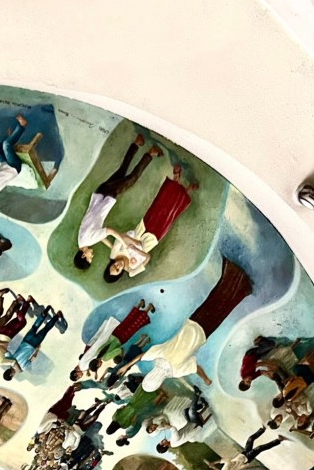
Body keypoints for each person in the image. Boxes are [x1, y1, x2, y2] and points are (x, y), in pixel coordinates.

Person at [121, 257, 253, 392]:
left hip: (202, 334)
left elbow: (196, 369)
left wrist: (205, 379)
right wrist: (126, 366)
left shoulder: (176, 371)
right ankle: (230, 274)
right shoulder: (158, 356)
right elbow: (141, 356)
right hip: (191, 324)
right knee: (212, 301)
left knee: (222, 311)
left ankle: (242, 288)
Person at [74, 135, 162, 269]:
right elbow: (100, 235)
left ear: (83, 255)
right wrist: (112, 247)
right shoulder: (82, 240)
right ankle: (137, 142)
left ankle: (151, 152)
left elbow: (108, 231)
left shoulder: (88, 240)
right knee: (121, 171)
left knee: (132, 178)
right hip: (100, 193)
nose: (92, 255)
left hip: (106, 198)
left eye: (90, 258)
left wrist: (124, 243)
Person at [101, 166, 196, 280]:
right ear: (120, 273)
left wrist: (135, 242)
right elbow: (147, 257)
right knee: (170, 214)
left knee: (159, 204)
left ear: (111, 264)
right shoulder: (131, 271)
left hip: (141, 230)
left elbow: (122, 236)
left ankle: (176, 178)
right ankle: (187, 190)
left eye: (114, 266)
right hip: (152, 240)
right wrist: (136, 249)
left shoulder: (114, 254)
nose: (118, 266)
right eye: (117, 270)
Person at [214, 426, 288, 470]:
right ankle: (278, 440)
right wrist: (215, 462)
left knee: (250, 439)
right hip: (245, 459)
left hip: (242, 456)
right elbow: (228, 461)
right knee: (259, 448)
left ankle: (263, 430)